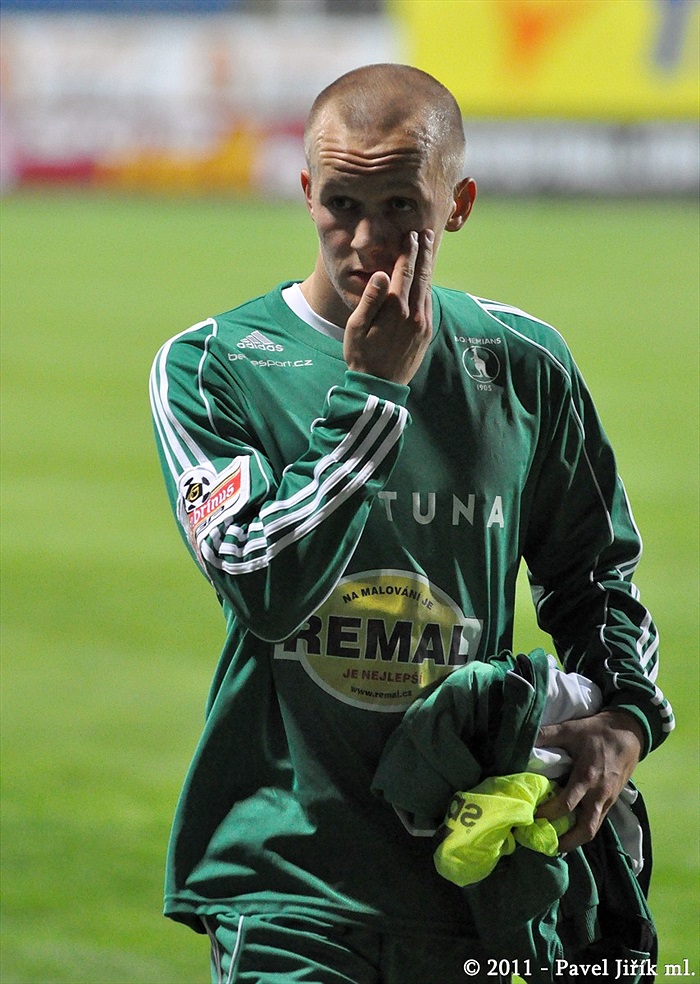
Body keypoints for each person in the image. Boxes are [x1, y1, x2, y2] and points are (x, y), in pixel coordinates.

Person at [150, 63, 674, 983]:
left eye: (399, 206)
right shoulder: (212, 367)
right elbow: (261, 585)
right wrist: (374, 396)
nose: (365, 240)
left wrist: (625, 719)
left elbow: (595, 576)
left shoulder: (521, 363)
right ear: (306, 192)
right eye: (341, 203)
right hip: (291, 880)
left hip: (475, 875)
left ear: (456, 203)